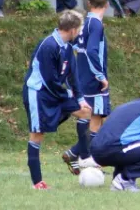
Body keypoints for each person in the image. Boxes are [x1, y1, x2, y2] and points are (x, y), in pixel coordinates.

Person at [22, 10, 92, 190]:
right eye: (80, 28)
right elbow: (49, 80)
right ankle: (37, 183)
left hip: (56, 94)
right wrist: (68, 96)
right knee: (37, 136)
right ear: (73, 29)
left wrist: (80, 98)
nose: (80, 31)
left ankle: (79, 157)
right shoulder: (48, 46)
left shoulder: (68, 47)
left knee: (85, 112)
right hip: (40, 95)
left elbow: (73, 75)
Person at [62, 0, 110, 173]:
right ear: (107, 5)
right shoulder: (96, 24)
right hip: (92, 79)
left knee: (96, 118)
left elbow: (74, 44)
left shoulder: (84, 23)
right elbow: (91, 51)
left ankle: (76, 154)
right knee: (95, 119)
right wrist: (100, 76)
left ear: (89, 3)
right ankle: (84, 157)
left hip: (83, 76)